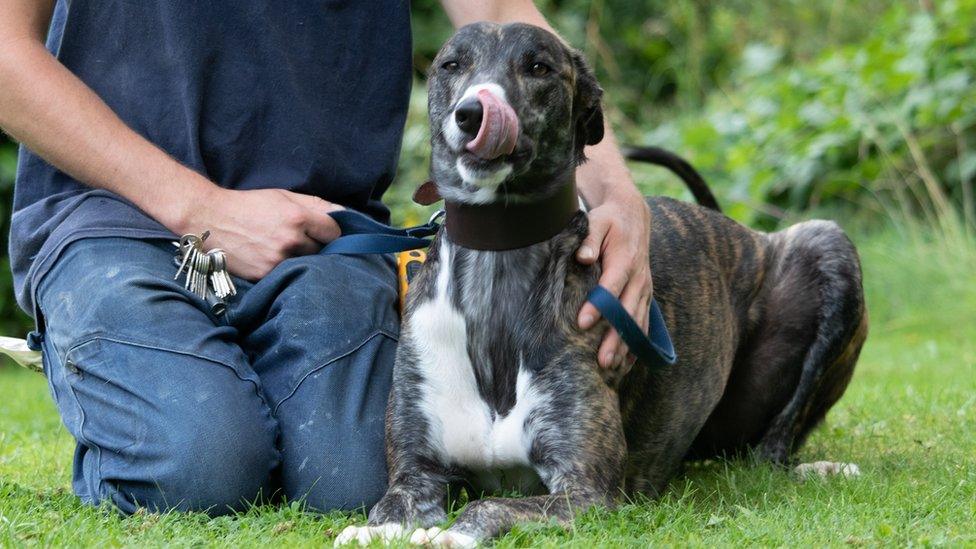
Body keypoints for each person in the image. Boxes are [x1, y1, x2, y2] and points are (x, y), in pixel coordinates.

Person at [0, 0, 652, 515]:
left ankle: (211, 377)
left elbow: (506, 14)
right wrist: (200, 207)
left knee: (354, 480)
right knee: (198, 467)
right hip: (113, 221)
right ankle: (144, 380)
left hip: (318, 235)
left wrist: (618, 193)